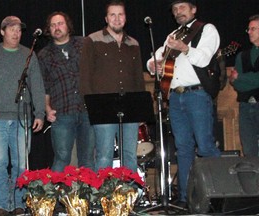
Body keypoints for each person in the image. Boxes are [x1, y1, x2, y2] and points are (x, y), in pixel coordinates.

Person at [147, 0, 221, 207]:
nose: (178, 11)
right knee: (183, 147)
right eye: (175, 9)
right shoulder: (173, 35)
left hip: (197, 95)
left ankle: (218, 194)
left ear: (193, 9)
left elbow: (205, 59)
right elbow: (157, 57)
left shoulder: (206, 29)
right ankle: (185, 199)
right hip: (176, 97)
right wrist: (152, 64)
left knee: (205, 145)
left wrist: (185, 48)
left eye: (182, 7)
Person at [0, 16, 45, 216]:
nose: (16, 33)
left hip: (22, 118)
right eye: (12, 29)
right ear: (2, 31)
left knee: (21, 164)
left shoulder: (28, 55)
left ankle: (18, 203)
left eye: (19, 29)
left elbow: (38, 87)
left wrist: (39, 112)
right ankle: (2, 204)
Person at [79, 0, 145, 173]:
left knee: (130, 155)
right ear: (106, 18)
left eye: (120, 14)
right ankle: (104, 198)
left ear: (125, 18)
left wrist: (140, 109)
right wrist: (90, 106)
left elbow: (139, 78)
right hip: (103, 108)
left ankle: (128, 197)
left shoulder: (134, 44)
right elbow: (85, 76)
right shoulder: (92, 40)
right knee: (103, 155)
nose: (117, 19)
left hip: (130, 108)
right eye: (112, 15)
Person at [37, 11, 95, 171]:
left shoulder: (85, 44)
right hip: (61, 113)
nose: (57, 27)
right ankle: (55, 196)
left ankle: (89, 195)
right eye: (53, 25)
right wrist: (47, 109)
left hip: (87, 111)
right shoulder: (44, 55)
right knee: (61, 158)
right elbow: (44, 87)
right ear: (48, 29)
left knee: (88, 160)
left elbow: (96, 73)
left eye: (60, 23)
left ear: (68, 26)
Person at [229, 14, 259, 157]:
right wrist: (242, 80)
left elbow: (238, 78)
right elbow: (237, 85)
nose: (249, 32)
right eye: (249, 29)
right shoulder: (242, 56)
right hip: (246, 106)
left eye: (253, 29)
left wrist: (240, 77)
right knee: (249, 148)